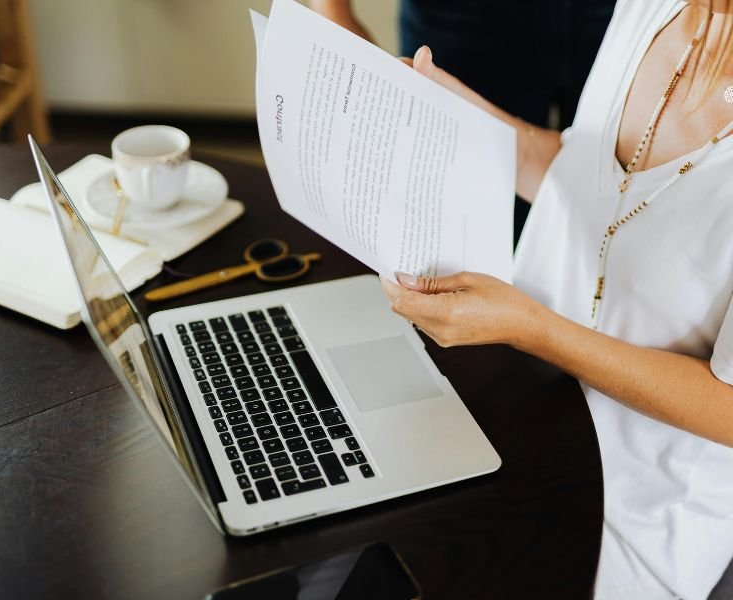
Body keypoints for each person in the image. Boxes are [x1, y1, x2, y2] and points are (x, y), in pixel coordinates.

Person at [379, 0, 733, 598]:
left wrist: (533, 330)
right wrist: (451, 113)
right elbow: (580, 171)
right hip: (510, 415)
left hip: (628, 516)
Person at [309, 0, 616, 243]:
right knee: (465, 228)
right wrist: (333, 14)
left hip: (618, 11)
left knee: (613, 202)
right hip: (459, 16)